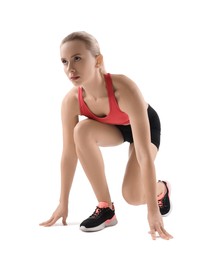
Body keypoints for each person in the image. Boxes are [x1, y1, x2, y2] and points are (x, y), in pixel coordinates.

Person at [40, 31, 173, 240]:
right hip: (113, 128)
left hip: (143, 125)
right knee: (81, 131)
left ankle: (161, 188)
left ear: (97, 60)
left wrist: (152, 211)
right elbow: (68, 153)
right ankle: (106, 209)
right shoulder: (71, 101)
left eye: (77, 58)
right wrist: (63, 202)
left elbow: (144, 156)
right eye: (64, 61)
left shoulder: (125, 88)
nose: (70, 68)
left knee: (132, 195)